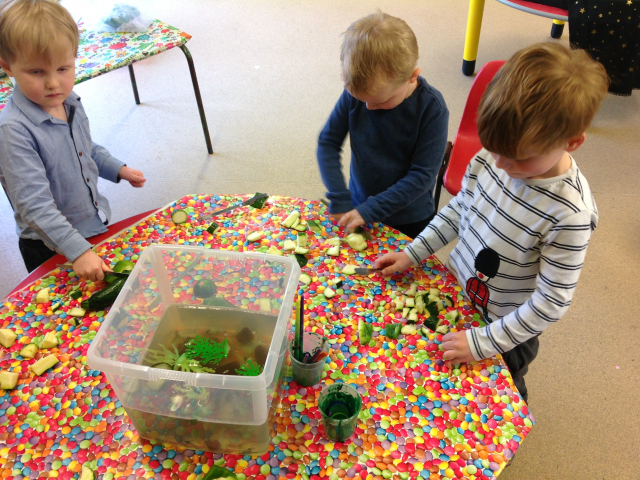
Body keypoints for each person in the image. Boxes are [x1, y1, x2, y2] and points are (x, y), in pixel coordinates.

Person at [375, 42, 609, 402]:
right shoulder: (492, 156)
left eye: (518, 158)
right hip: (459, 296)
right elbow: (460, 210)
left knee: (502, 393)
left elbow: (551, 302)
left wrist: (482, 342)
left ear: (572, 142)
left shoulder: (570, 214)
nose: (500, 165)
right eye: (494, 149)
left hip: (505, 328)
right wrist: (413, 252)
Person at [0, 0, 146, 281]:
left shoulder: (70, 102)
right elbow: (34, 206)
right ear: (8, 67)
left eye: (63, 69)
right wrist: (77, 252)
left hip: (91, 224)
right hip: (49, 245)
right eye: (37, 72)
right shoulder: (12, 131)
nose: (54, 83)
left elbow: (83, 148)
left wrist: (116, 168)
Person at [316, 11, 449, 240]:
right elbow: (328, 142)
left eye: (380, 101)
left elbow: (422, 176)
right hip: (359, 206)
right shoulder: (357, 95)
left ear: (412, 76)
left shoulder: (432, 109)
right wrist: (339, 195)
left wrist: (370, 210)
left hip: (410, 218)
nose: (367, 108)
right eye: (360, 99)